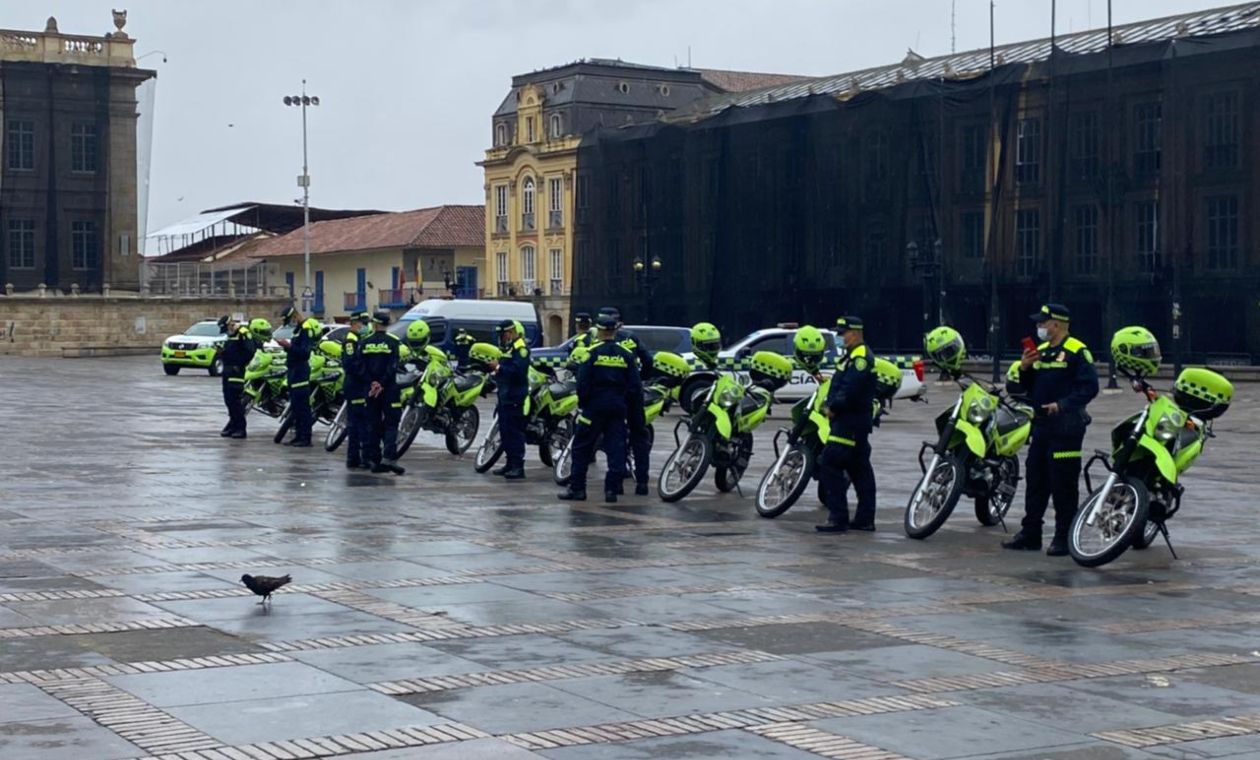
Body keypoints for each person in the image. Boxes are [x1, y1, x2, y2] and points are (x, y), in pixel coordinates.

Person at [1003, 303, 1099, 556]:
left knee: (1063, 484)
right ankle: (1030, 533)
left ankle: (1063, 537)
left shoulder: (1077, 351)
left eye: (1042, 323)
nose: (1039, 327)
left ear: (1056, 324)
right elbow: (1028, 387)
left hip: (1067, 428)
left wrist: (1063, 405)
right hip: (1042, 426)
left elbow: (1089, 388)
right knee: (1036, 480)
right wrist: (1024, 368)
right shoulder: (1041, 352)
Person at [558, 314, 641, 503]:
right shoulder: (626, 354)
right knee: (616, 448)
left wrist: (584, 403)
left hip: (594, 408)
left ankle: (578, 489)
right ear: (615, 331)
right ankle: (612, 490)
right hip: (617, 408)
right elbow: (635, 386)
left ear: (600, 331)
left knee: (581, 447)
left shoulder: (591, 352)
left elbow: (583, 383)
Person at [816, 316, 878, 533]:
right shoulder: (852, 356)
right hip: (854, 422)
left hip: (849, 421)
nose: (840, 337)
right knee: (859, 469)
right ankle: (864, 519)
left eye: (843, 333)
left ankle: (838, 517)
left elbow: (850, 389)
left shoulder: (860, 358)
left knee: (830, 462)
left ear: (855, 333)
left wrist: (833, 408)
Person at [599, 306, 654, 495]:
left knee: (615, 437)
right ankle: (642, 482)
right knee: (639, 436)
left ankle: (617, 483)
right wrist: (640, 378)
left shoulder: (600, 340)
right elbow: (648, 361)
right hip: (634, 392)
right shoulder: (632, 338)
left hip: (614, 393)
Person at [361, 310, 405, 475]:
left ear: (375, 324)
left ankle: (375, 460)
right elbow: (393, 366)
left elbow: (361, 367)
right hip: (389, 389)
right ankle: (389, 458)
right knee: (392, 424)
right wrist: (382, 383)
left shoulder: (365, 342)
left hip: (371, 390)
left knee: (373, 424)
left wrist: (372, 383)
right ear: (386, 325)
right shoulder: (393, 342)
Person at [490, 319, 530, 480]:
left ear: (510, 332)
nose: (501, 338)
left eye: (503, 334)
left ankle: (518, 466)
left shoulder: (521, 348)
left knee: (514, 432)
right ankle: (509, 463)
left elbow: (518, 371)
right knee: (505, 432)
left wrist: (498, 367)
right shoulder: (509, 347)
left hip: (515, 396)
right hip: (505, 395)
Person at [275, 306, 317, 447]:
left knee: (303, 407)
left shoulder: (306, 329)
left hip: (300, 372)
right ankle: (298, 436)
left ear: (295, 316)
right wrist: (286, 347)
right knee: (296, 407)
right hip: (293, 371)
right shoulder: (298, 330)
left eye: (290, 320)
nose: (289, 323)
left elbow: (305, 353)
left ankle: (305, 438)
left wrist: (288, 346)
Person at [342, 311, 371, 470]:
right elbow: (351, 364)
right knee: (357, 423)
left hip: (357, 384)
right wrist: (366, 375)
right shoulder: (351, 340)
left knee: (359, 422)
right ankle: (356, 458)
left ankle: (356, 458)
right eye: (362, 323)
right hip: (356, 385)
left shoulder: (357, 338)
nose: (364, 326)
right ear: (355, 323)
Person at [218, 315, 253, 439]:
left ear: (230, 324)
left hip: (236, 372)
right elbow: (231, 352)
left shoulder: (243, 333)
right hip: (227, 371)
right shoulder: (231, 336)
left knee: (235, 401)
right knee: (228, 400)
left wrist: (239, 364)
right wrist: (222, 353)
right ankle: (233, 426)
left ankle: (240, 428)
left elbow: (249, 351)